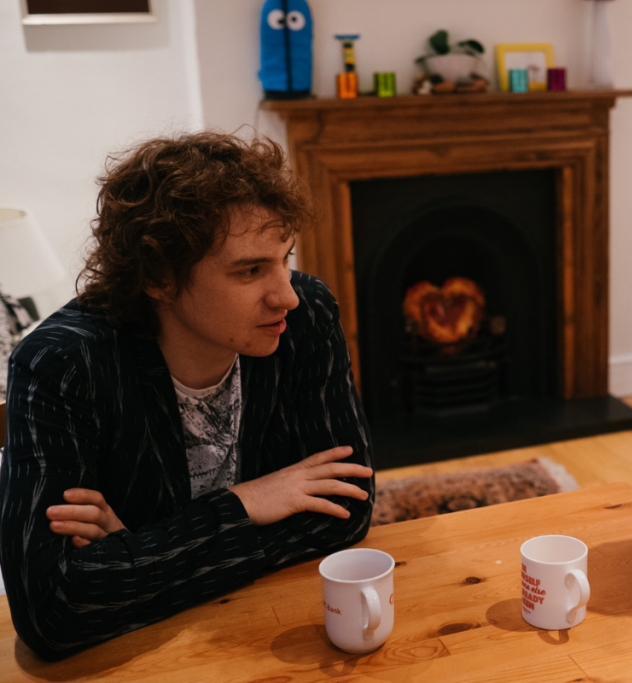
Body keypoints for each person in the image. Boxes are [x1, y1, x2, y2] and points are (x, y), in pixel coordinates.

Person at [0, 132, 375, 660]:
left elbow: (346, 507)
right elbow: (52, 612)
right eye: (250, 270)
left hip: (277, 635)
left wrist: (139, 549)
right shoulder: (62, 365)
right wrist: (249, 502)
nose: (286, 293)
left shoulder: (305, 317)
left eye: (284, 259)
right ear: (160, 277)